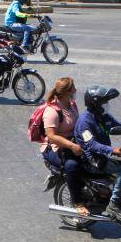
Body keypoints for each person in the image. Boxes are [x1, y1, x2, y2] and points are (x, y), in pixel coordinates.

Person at [74, 86, 121, 222]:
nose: (107, 105)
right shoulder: (84, 122)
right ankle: (114, 204)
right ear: (95, 103)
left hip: (104, 155)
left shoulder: (103, 116)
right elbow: (91, 144)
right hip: (93, 159)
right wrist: (112, 150)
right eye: (105, 102)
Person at [39, 77, 87, 217]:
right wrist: (72, 146)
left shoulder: (72, 104)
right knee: (72, 165)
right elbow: (52, 136)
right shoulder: (52, 111)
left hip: (72, 144)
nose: (76, 90)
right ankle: (77, 202)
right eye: (74, 88)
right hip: (54, 149)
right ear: (67, 91)